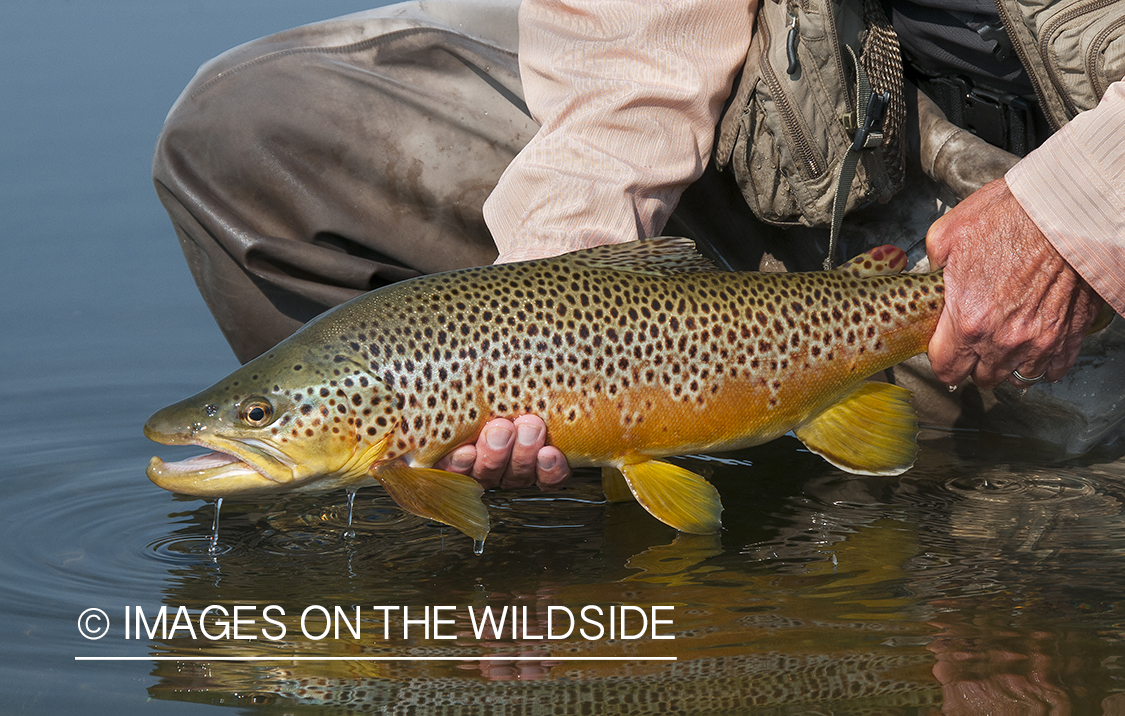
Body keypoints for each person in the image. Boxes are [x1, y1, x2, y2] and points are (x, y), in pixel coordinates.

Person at [152, 0, 1125, 492]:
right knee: (254, 132)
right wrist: (556, 279)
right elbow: (629, 59)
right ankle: (577, 526)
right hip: (836, 191)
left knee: (1033, 586)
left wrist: (1070, 212)